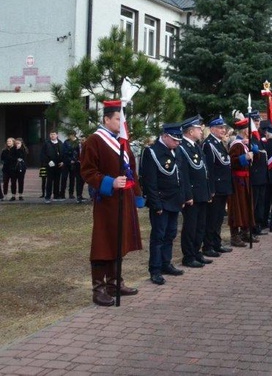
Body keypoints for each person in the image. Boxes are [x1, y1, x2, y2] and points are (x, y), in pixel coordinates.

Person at [80, 100, 144, 306]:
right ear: (106, 119)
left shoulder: (122, 141)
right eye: (118, 119)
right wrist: (110, 182)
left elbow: (130, 169)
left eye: (122, 119)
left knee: (119, 240)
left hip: (123, 200)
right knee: (103, 242)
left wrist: (136, 193)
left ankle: (115, 283)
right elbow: (88, 172)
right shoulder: (94, 141)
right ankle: (98, 289)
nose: (121, 123)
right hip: (106, 200)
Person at [140, 123, 187, 286]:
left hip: (175, 200)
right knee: (158, 237)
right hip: (161, 201)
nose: (178, 143)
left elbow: (180, 176)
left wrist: (183, 197)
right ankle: (155, 269)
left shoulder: (176, 150)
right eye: (175, 140)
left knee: (171, 234)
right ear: (165, 136)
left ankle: (166, 263)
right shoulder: (152, 152)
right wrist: (156, 204)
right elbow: (149, 182)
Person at [178, 116, 214, 268]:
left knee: (200, 226)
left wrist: (209, 190)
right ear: (191, 131)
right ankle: (188, 256)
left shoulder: (196, 146)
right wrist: (188, 195)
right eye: (199, 129)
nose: (201, 131)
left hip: (202, 193)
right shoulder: (182, 148)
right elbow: (184, 174)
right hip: (192, 194)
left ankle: (196, 252)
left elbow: (204, 169)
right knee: (190, 227)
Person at [201, 115, 233, 258]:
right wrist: (211, 189)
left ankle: (216, 243)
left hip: (223, 186)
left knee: (219, 218)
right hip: (216, 187)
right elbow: (210, 169)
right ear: (212, 129)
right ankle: (208, 246)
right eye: (220, 128)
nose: (223, 130)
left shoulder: (219, 143)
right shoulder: (209, 144)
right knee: (212, 219)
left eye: (224, 128)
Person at [227, 116, 255, 247]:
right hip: (238, 180)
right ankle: (235, 235)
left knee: (246, 206)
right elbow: (232, 162)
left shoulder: (244, 143)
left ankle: (246, 230)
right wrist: (244, 157)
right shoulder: (236, 145)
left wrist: (253, 150)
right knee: (237, 207)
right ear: (244, 130)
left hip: (245, 179)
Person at [41, 130, 64, 202]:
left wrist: (63, 161)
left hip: (59, 164)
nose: (52, 136)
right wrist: (48, 161)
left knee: (57, 180)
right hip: (50, 165)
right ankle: (48, 196)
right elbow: (42, 154)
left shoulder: (60, 143)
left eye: (54, 134)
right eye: (51, 134)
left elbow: (63, 153)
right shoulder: (46, 143)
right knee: (49, 181)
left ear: (57, 135)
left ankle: (56, 195)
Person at [61, 132, 83, 201]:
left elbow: (78, 152)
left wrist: (74, 160)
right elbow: (64, 152)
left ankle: (71, 193)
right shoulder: (66, 142)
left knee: (72, 179)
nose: (70, 136)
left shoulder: (77, 143)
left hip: (75, 163)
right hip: (66, 162)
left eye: (71, 135)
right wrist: (69, 159)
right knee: (64, 178)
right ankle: (62, 193)